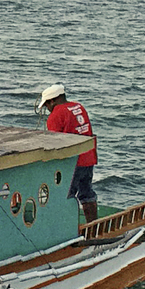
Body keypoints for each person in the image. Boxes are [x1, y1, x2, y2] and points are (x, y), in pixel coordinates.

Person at [36, 84, 97, 213]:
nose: (47, 109)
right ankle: (93, 227)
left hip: (71, 163)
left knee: (66, 195)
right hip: (88, 158)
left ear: (52, 101)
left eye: (47, 105)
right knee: (87, 194)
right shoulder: (79, 107)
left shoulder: (56, 115)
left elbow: (54, 144)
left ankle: (67, 229)